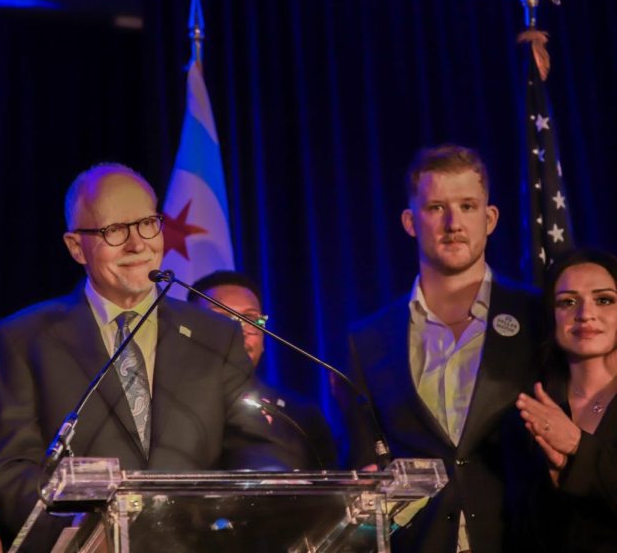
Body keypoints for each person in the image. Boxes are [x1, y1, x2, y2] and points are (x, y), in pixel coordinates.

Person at [0, 163, 293, 548]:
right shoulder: (25, 339)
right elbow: (9, 475)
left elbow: (258, 447)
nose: (138, 244)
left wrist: (228, 518)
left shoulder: (215, 336)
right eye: (114, 231)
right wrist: (93, 535)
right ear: (77, 247)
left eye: (148, 223)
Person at [345, 145, 541, 552]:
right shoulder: (368, 339)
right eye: (435, 207)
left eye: (467, 206)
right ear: (409, 221)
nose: (453, 222)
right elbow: (367, 463)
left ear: (489, 219)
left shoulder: (538, 317)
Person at [515, 249, 617, 551]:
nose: (585, 314)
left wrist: (577, 444)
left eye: (604, 300)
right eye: (568, 302)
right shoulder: (533, 403)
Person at [188, 269, 337, 469]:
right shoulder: (169, 406)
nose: (239, 331)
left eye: (250, 320)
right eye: (223, 318)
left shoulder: (301, 415)